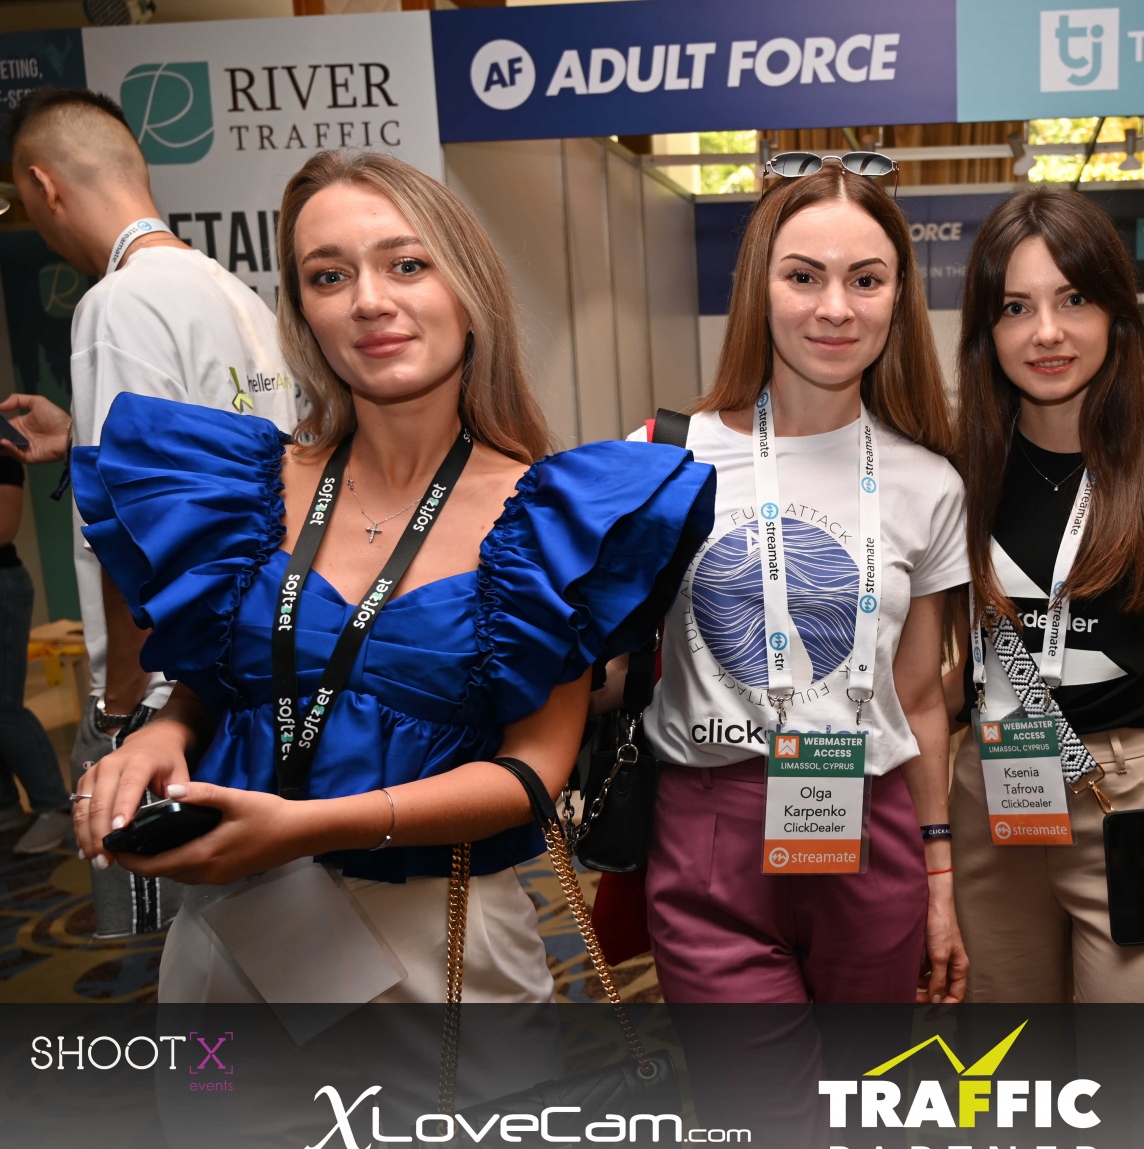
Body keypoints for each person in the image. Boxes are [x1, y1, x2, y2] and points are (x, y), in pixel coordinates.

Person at [69, 150, 713, 1003]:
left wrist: (307, 827)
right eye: (328, 276)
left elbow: (532, 773)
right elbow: (231, 680)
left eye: (407, 265)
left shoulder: (551, 520)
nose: (368, 301)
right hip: (234, 942)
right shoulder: (240, 488)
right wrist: (163, 733)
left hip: (444, 952)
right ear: (303, 312)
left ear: (467, 289)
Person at [638, 154, 970, 1004]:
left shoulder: (929, 482)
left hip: (871, 823)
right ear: (760, 287)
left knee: (867, 1085)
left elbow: (920, 699)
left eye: (866, 280)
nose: (835, 308)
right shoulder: (664, 456)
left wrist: (939, 877)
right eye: (803, 276)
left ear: (898, 297)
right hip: (710, 827)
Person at [943, 188, 1144, 1003]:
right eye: (1016, 307)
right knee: (1007, 1067)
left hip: (1131, 800)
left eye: (1073, 300)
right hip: (991, 799)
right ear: (986, 330)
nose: (1046, 332)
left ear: (1118, 313)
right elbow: (944, 672)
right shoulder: (954, 469)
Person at [3, 88, 299, 880]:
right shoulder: (233, 294)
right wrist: (80, 436)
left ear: (43, 186)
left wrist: (117, 709)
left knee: (171, 903)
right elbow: (223, 460)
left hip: (171, 686)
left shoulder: (117, 304)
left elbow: (127, 527)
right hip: (249, 656)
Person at [0, 457, 70, 841]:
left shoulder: (4, 453)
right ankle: (6, 807)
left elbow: (3, 528)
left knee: (4, 707)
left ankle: (54, 806)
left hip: (4, 584)